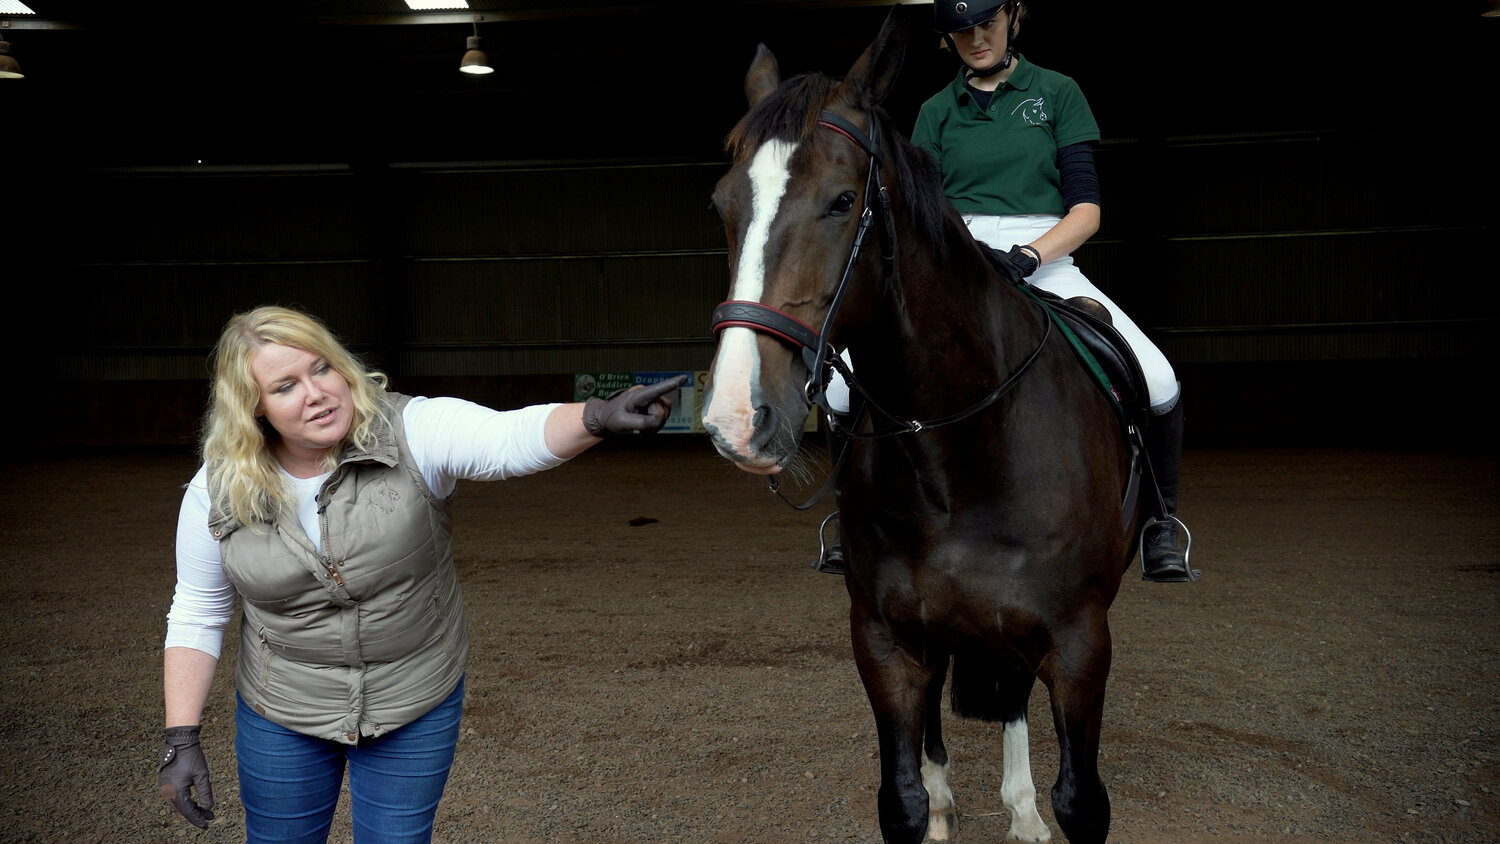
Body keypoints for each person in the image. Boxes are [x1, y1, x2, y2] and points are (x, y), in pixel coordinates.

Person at [159, 305, 686, 841]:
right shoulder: (218, 488)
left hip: (413, 695)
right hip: (283, 706)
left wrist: (596, 417)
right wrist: (181, 735)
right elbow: (199, 610)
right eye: (286, 386)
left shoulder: (410, 427)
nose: (316, 392)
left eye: (322, 369)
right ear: (255, 408)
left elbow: (504, 439)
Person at [909, 0, 1193, 581]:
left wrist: (1030, 255)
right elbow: (924, 211)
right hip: (955, 257)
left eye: (986, 23)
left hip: (1045, 252)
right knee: (839, 391)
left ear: (1013, 16)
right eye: (960, 31)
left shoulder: (1058, 92)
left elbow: (1086, 211)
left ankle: (1162, 523)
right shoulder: (934, 112)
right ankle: (847, 519)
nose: (975, 38)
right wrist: (964, 253)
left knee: (1159, 379)